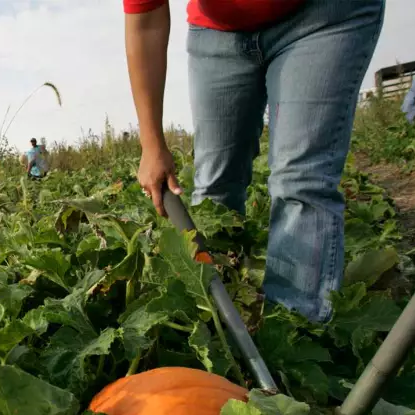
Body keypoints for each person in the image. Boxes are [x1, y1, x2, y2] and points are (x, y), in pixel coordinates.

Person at [124, 0, 384, 324]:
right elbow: (145, 20)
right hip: (216, 33)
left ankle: (289, 336)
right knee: (214, 187)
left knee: (299, 181)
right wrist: (151, 144)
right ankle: (220, 323)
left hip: (323, 15)